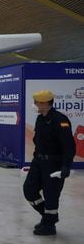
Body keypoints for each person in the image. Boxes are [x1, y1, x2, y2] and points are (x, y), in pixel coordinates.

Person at [23, 90, 75, 235]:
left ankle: (49, 225)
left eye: (36, 102)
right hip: (38, 161)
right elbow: (38, 141)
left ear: (45, 103)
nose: (34, 105)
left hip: (54, 164)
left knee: (51, 195)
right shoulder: (40, 119)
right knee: (29, 190)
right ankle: (48, 218)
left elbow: (69, 146)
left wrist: (66, 166)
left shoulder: (60, 120)